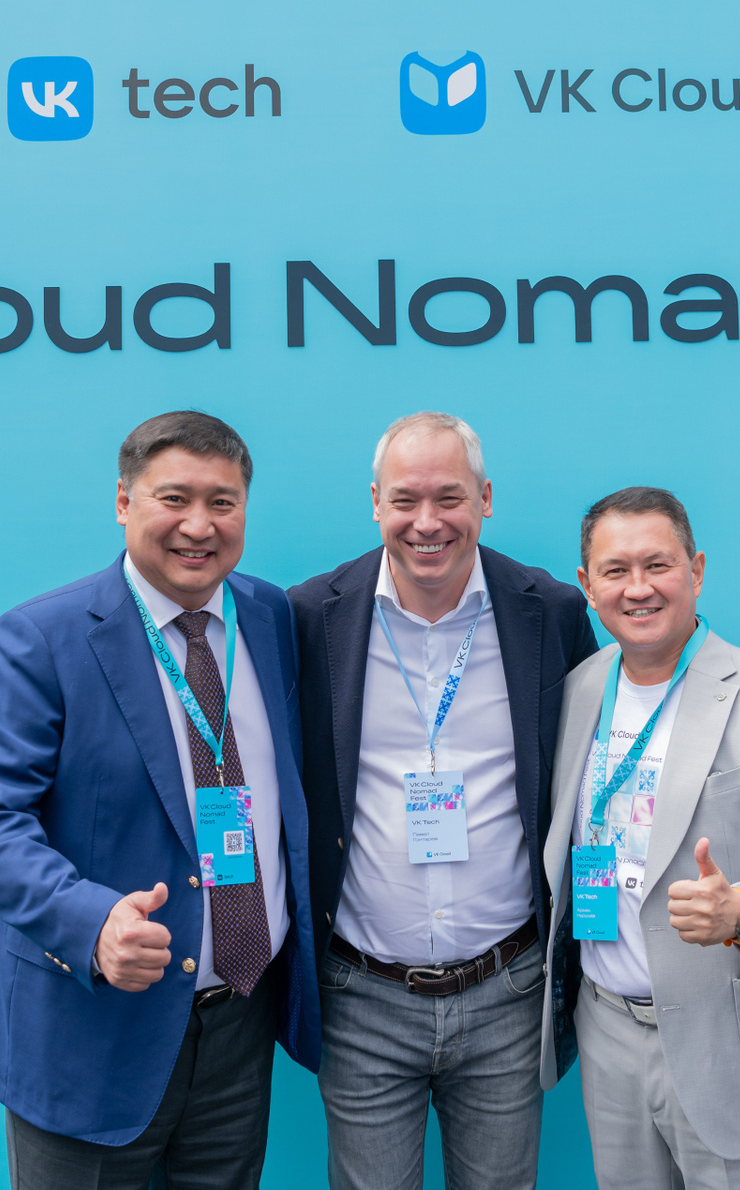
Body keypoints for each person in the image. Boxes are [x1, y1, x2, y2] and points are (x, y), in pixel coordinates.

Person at [0, 411, 319, 1190]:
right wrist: (92, 922)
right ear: (123, 502)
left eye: (222, 502)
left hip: (238, 1027)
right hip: (92, 1034)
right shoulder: (41, 637)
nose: (199, 525)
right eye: (173, 498)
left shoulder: (271, 617)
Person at [289, 411, 600, 1190]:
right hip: (362, 995)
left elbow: (594, 773)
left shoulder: (550, 610)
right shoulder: (310, 615)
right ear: (375, 502)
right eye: (405, 499)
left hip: (508, 990)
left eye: (449, 497)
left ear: (485, 498)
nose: (427, 522)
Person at [538, 486, 740, 1190]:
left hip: (731, 1045)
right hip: (607, 1033)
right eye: (616, 570)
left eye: (658, 564)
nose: (639, 588)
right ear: (587, 584)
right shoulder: (580, 688)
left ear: (697, 569)